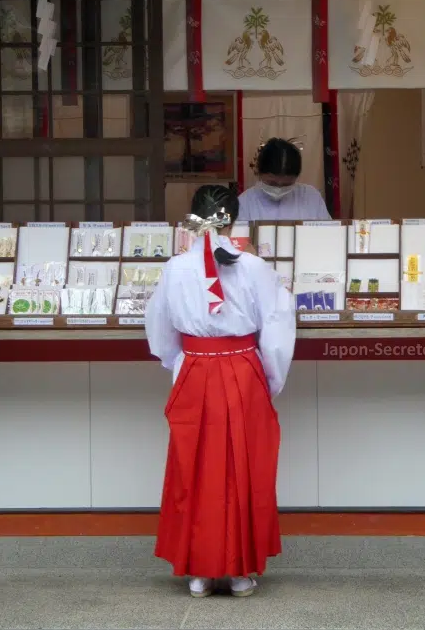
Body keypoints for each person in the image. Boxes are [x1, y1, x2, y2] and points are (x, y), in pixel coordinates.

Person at [145, 184, 296, 599]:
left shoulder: (175, 269)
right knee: (244, 467)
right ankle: (239, 572)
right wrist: (270, 380)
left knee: (193, 469)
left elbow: (160, 332)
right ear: (232, 219)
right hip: (243, 368)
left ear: (192, 219)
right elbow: (278, 328)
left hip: (195, 368)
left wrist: (180, 365)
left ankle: (199, 571)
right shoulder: (253, 267)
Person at [237, 137, 332, 221]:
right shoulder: (245, 203)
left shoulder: (311, 197)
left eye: (286, 184)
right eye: (272, 183)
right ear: (259, 172)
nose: (279, 189)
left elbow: (328, 234)